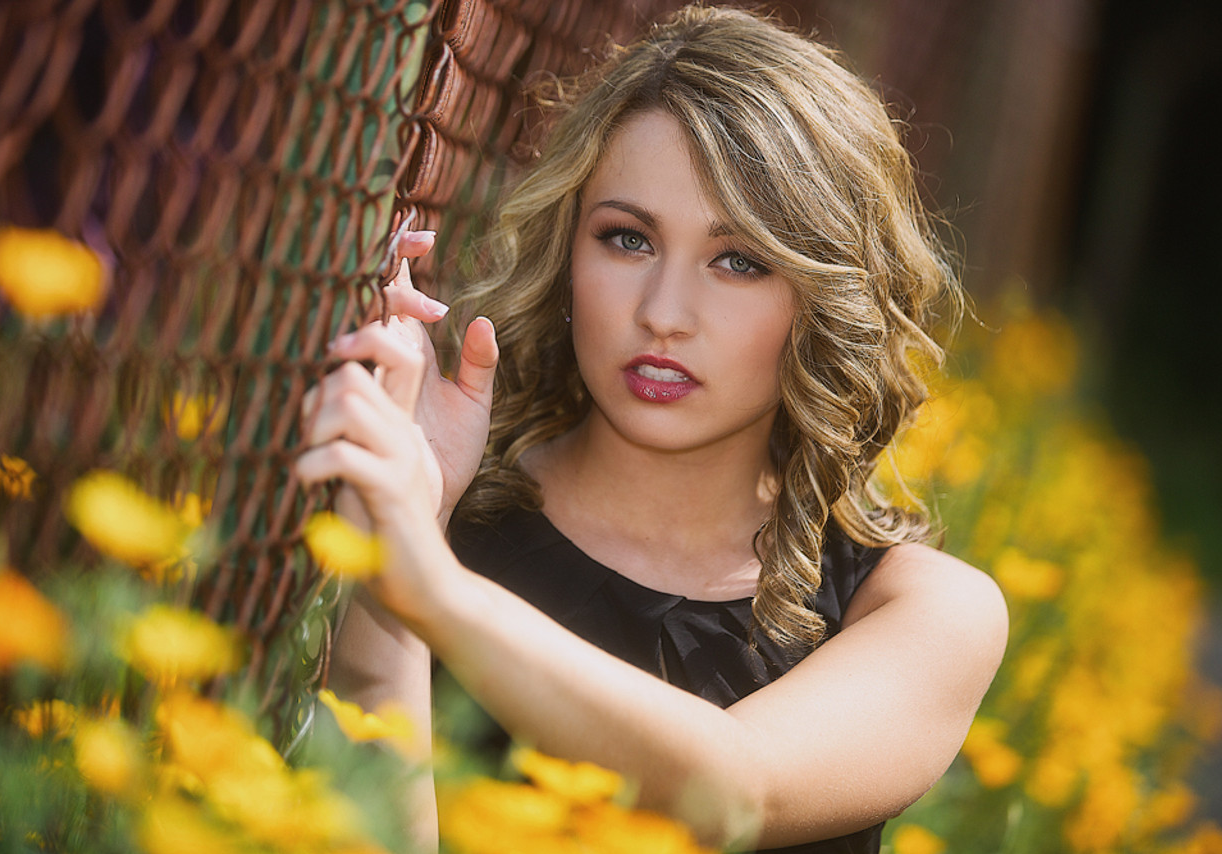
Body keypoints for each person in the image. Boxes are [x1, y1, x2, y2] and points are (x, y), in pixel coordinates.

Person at [296, 6, 1008, 853]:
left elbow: (736, 791)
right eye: (627, 239)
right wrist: (396, 541)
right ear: (569, 256)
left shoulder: (924, 610)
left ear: (825, 297)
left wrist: (431, 590)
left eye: (739, 260)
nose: (663, 314)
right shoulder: (444, 529)